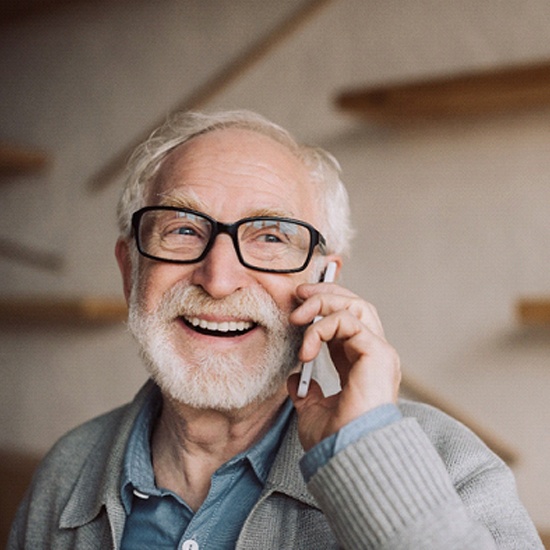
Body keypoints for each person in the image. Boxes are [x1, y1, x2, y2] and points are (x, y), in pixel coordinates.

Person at [8, 110, 542, 550]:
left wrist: (368, 455)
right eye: (183, 229)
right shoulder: (66, 472)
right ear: (131, 272)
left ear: (325, 279)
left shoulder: (452, 465)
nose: (218, 279)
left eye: (270, 237)